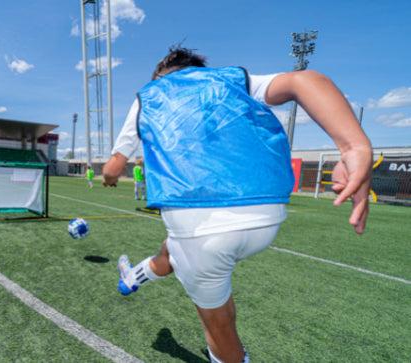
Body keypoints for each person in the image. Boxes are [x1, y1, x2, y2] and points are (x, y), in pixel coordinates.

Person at [102, 46, 372, 363]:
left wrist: (108, 177)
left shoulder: (148, 95)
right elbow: (303, 80)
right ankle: (132, 279)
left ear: (158, 76)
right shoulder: (231, 78)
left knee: (219, 325)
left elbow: (113, 166)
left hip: (198, 226)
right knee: (170, 251)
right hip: (266, 215)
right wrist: (353, 146)